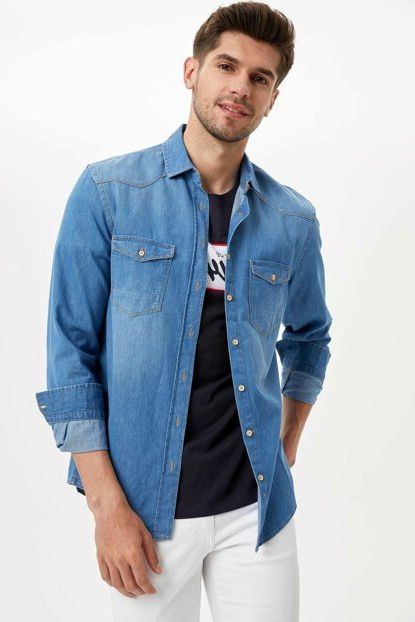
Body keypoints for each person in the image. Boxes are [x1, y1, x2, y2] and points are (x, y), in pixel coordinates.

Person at [35, 2, 333, 620]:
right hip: (145, 511)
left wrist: (286, 442)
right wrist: (106, 508)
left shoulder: (292, 219)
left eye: (259, 77)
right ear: (191, 71)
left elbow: (309, 337)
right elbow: (70, 354)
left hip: (256, 514)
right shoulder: (110, 193)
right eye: (227, 66)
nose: (240, 87)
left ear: (273, 99)